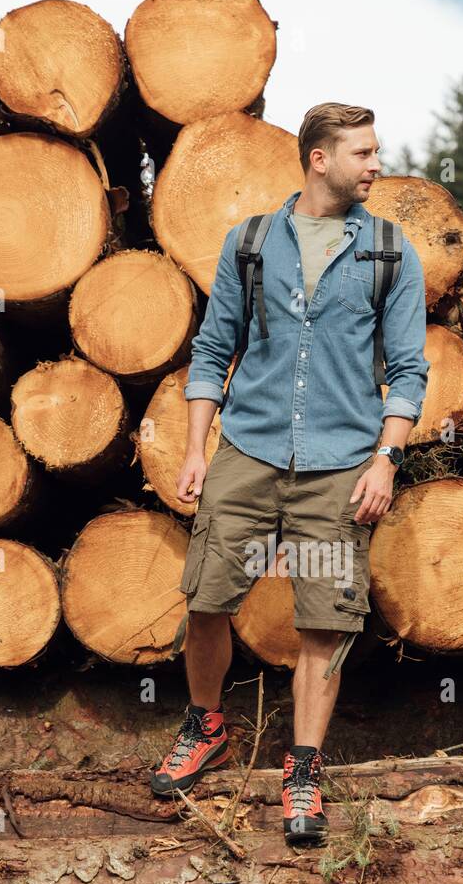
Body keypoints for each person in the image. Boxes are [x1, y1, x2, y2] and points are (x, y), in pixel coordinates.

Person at [149, 102, 429, 842]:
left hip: (340, 465)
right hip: (247, 450)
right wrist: (194, 449)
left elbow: (407, 373)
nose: (375, 166)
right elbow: (213, 352)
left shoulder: (390, 253)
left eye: (375, 151)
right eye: (362, 154)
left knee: (323, 623)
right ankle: (205, 725)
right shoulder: (250, 243)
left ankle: (300, 770)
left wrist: (385, 459)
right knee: (206, 599)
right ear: (318, 159)